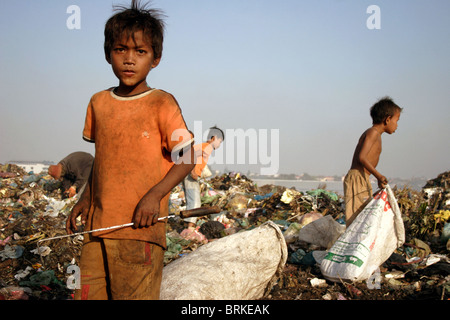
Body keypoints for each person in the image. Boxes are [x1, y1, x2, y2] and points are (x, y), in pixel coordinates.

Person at [65, 0, 195, 300]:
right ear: (108, 53)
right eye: (120, 49)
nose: (129, 60)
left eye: (140, 52)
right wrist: (85, 199)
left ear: (156, 59)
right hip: (96, 229)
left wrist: (154, 196)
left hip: (139, 230)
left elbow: (188, 156)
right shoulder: (99, 102)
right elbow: (104, 158)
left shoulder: (162, 102)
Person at [343, 96, 402, 227]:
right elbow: (362, 157)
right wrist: (379, 176)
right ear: (387, 119)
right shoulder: (373, 133)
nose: (397, 125)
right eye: (397, 120)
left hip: (363, 178)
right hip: (357, 178)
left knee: (363, 217)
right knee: (356, 219)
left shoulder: (376, 134)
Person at [183, 126, 224, 229]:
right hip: (190, 175)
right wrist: (193, 170)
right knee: (195, 201)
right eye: (219, 141)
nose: (219, 145)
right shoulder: (207, 147)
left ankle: (187, 225)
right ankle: (189, 228)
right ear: (214, 138)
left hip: (189, 174)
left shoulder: (204, 147)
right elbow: (191, 154)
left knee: (192, 200)